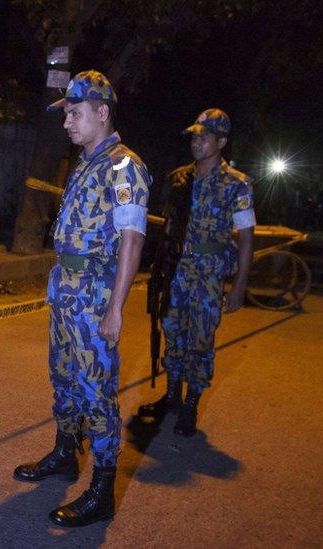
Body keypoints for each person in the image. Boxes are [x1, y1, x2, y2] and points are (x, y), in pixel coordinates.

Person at [13, 70, 151, 527]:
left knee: (97, 392)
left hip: (94, 297)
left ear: (102, 112)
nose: (67, 122)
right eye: (66, 113)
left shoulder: (123, 166)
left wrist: (115, 309)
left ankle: (102, 491)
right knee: (66, 379)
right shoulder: (87, 162)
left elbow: (132, 238)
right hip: (67, 292)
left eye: (74, 113)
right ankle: (64, 454)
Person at [138, 108, 255, 437]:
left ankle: (191, 404)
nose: (197, 142)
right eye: (194, 136)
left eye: (204, 137)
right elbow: (171, 225)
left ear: (221, 141)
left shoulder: (237, 185)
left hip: (209, 272)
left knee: (201, 339)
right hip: (178, 269)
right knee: (172, 331)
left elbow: (246, 237)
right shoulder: (179, 177)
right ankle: (172, 396)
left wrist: (239, 286)